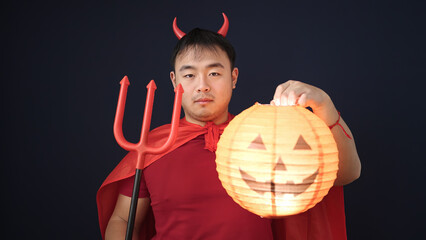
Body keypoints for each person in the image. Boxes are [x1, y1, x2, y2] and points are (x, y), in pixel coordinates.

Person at [97, 15, 361, 240]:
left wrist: (324, 104)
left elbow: (347, 173)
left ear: (233, 77)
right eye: (189, 75)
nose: (202, 85)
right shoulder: (153, 145)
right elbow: (122, 217)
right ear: (173, 80)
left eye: (214, 73)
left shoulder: (266, 134)